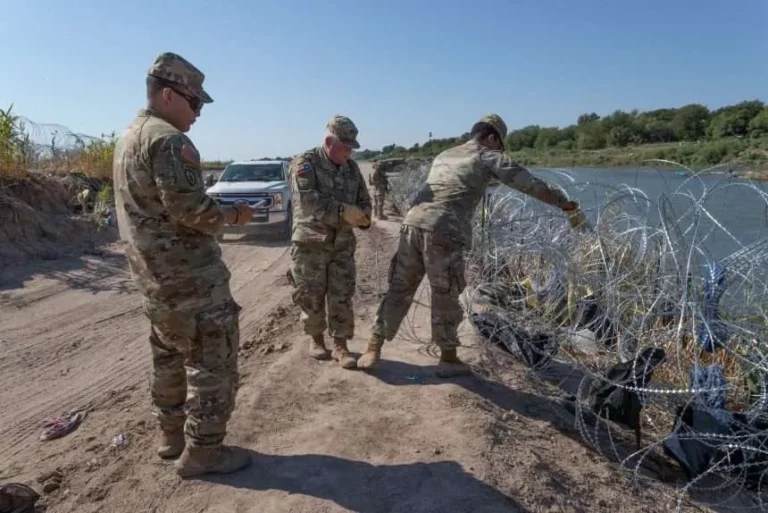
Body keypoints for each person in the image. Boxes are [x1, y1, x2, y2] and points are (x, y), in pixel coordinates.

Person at [357, 114, 588, 377]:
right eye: (499, 145)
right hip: (444, 229)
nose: (499, 150)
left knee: (399, 287)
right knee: (444, 292)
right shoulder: (486, 155)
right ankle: (448, 358)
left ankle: (372, 348)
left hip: (412, 222)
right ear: (492, 138)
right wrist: (565, 204)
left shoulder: (445, 153)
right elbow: (528, 183)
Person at [113, 51, 255, 477]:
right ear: (170, 95)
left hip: (154, 282)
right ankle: (204, 452)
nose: (197, 114)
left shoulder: (127, 138)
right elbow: (191, 211)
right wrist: (232, 215)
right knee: (214, 363)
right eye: (195, 104)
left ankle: (171, 437)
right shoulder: (169, 140)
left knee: (168, 358)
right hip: (190, 282)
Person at [288, 116, 373, 369]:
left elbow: (364, 199)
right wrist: (344, 212)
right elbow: (309, 201)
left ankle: (340, 345)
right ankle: (316, 340)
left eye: (352, 147)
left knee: (342, 293)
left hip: (343, 243)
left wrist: (364, 216)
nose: (349, 151)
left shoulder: (351, 168)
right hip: (311, 243)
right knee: (310, 294)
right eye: (345, 146)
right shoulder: (305, 163)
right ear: (328, 141)